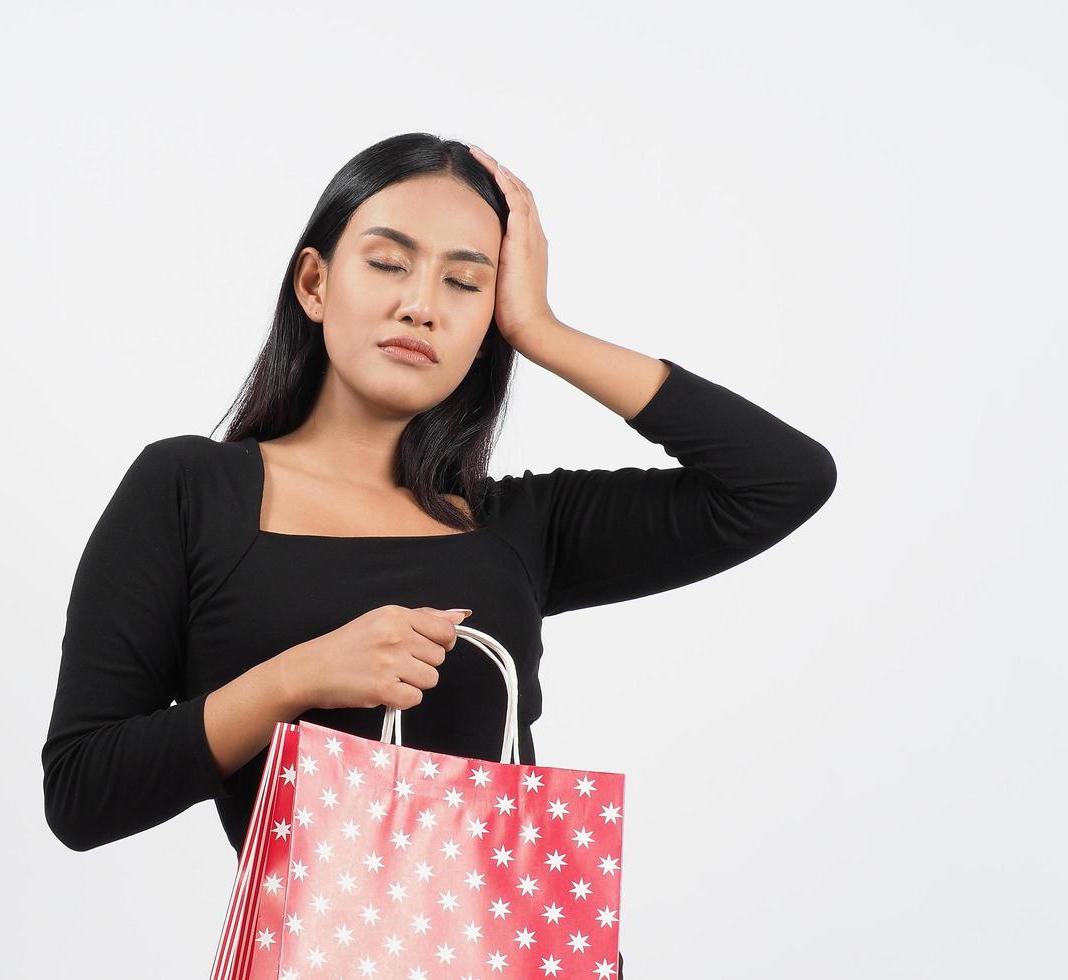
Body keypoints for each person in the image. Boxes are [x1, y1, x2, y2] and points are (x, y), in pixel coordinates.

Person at [42, 133, 837, 978]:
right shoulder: (189, 490)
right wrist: (299, 677)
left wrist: (542, 330)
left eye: (465, 283)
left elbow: (781, 480)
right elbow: (84, 793)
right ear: (314, 283)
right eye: (389, 265)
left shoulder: (519, 524)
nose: (423, 305)